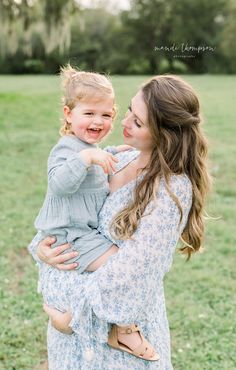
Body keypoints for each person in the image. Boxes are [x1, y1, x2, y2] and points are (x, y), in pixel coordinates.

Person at [29, 74, 211, 370]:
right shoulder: (122, 158)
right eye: (128, 110)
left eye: (138, 123)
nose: (123, 123)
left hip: (116, 349)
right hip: (70, 343)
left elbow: (133, 276)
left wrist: (74, 317)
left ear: (165, 134)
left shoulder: (170, 190)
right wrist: (43, 250)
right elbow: (64, 212)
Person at [32, 64, 159, 363]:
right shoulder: (66, 150)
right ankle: (123, 329)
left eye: (105, 114)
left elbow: (100, 166)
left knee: (120, 265)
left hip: (85, 233)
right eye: (88, 113)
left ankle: (109, 322)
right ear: (68, 114)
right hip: (72, 236)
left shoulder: (93, 148)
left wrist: (109, 153)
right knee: (121, 266)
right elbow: (59, 184)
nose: (97, 121)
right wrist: (86, 157)